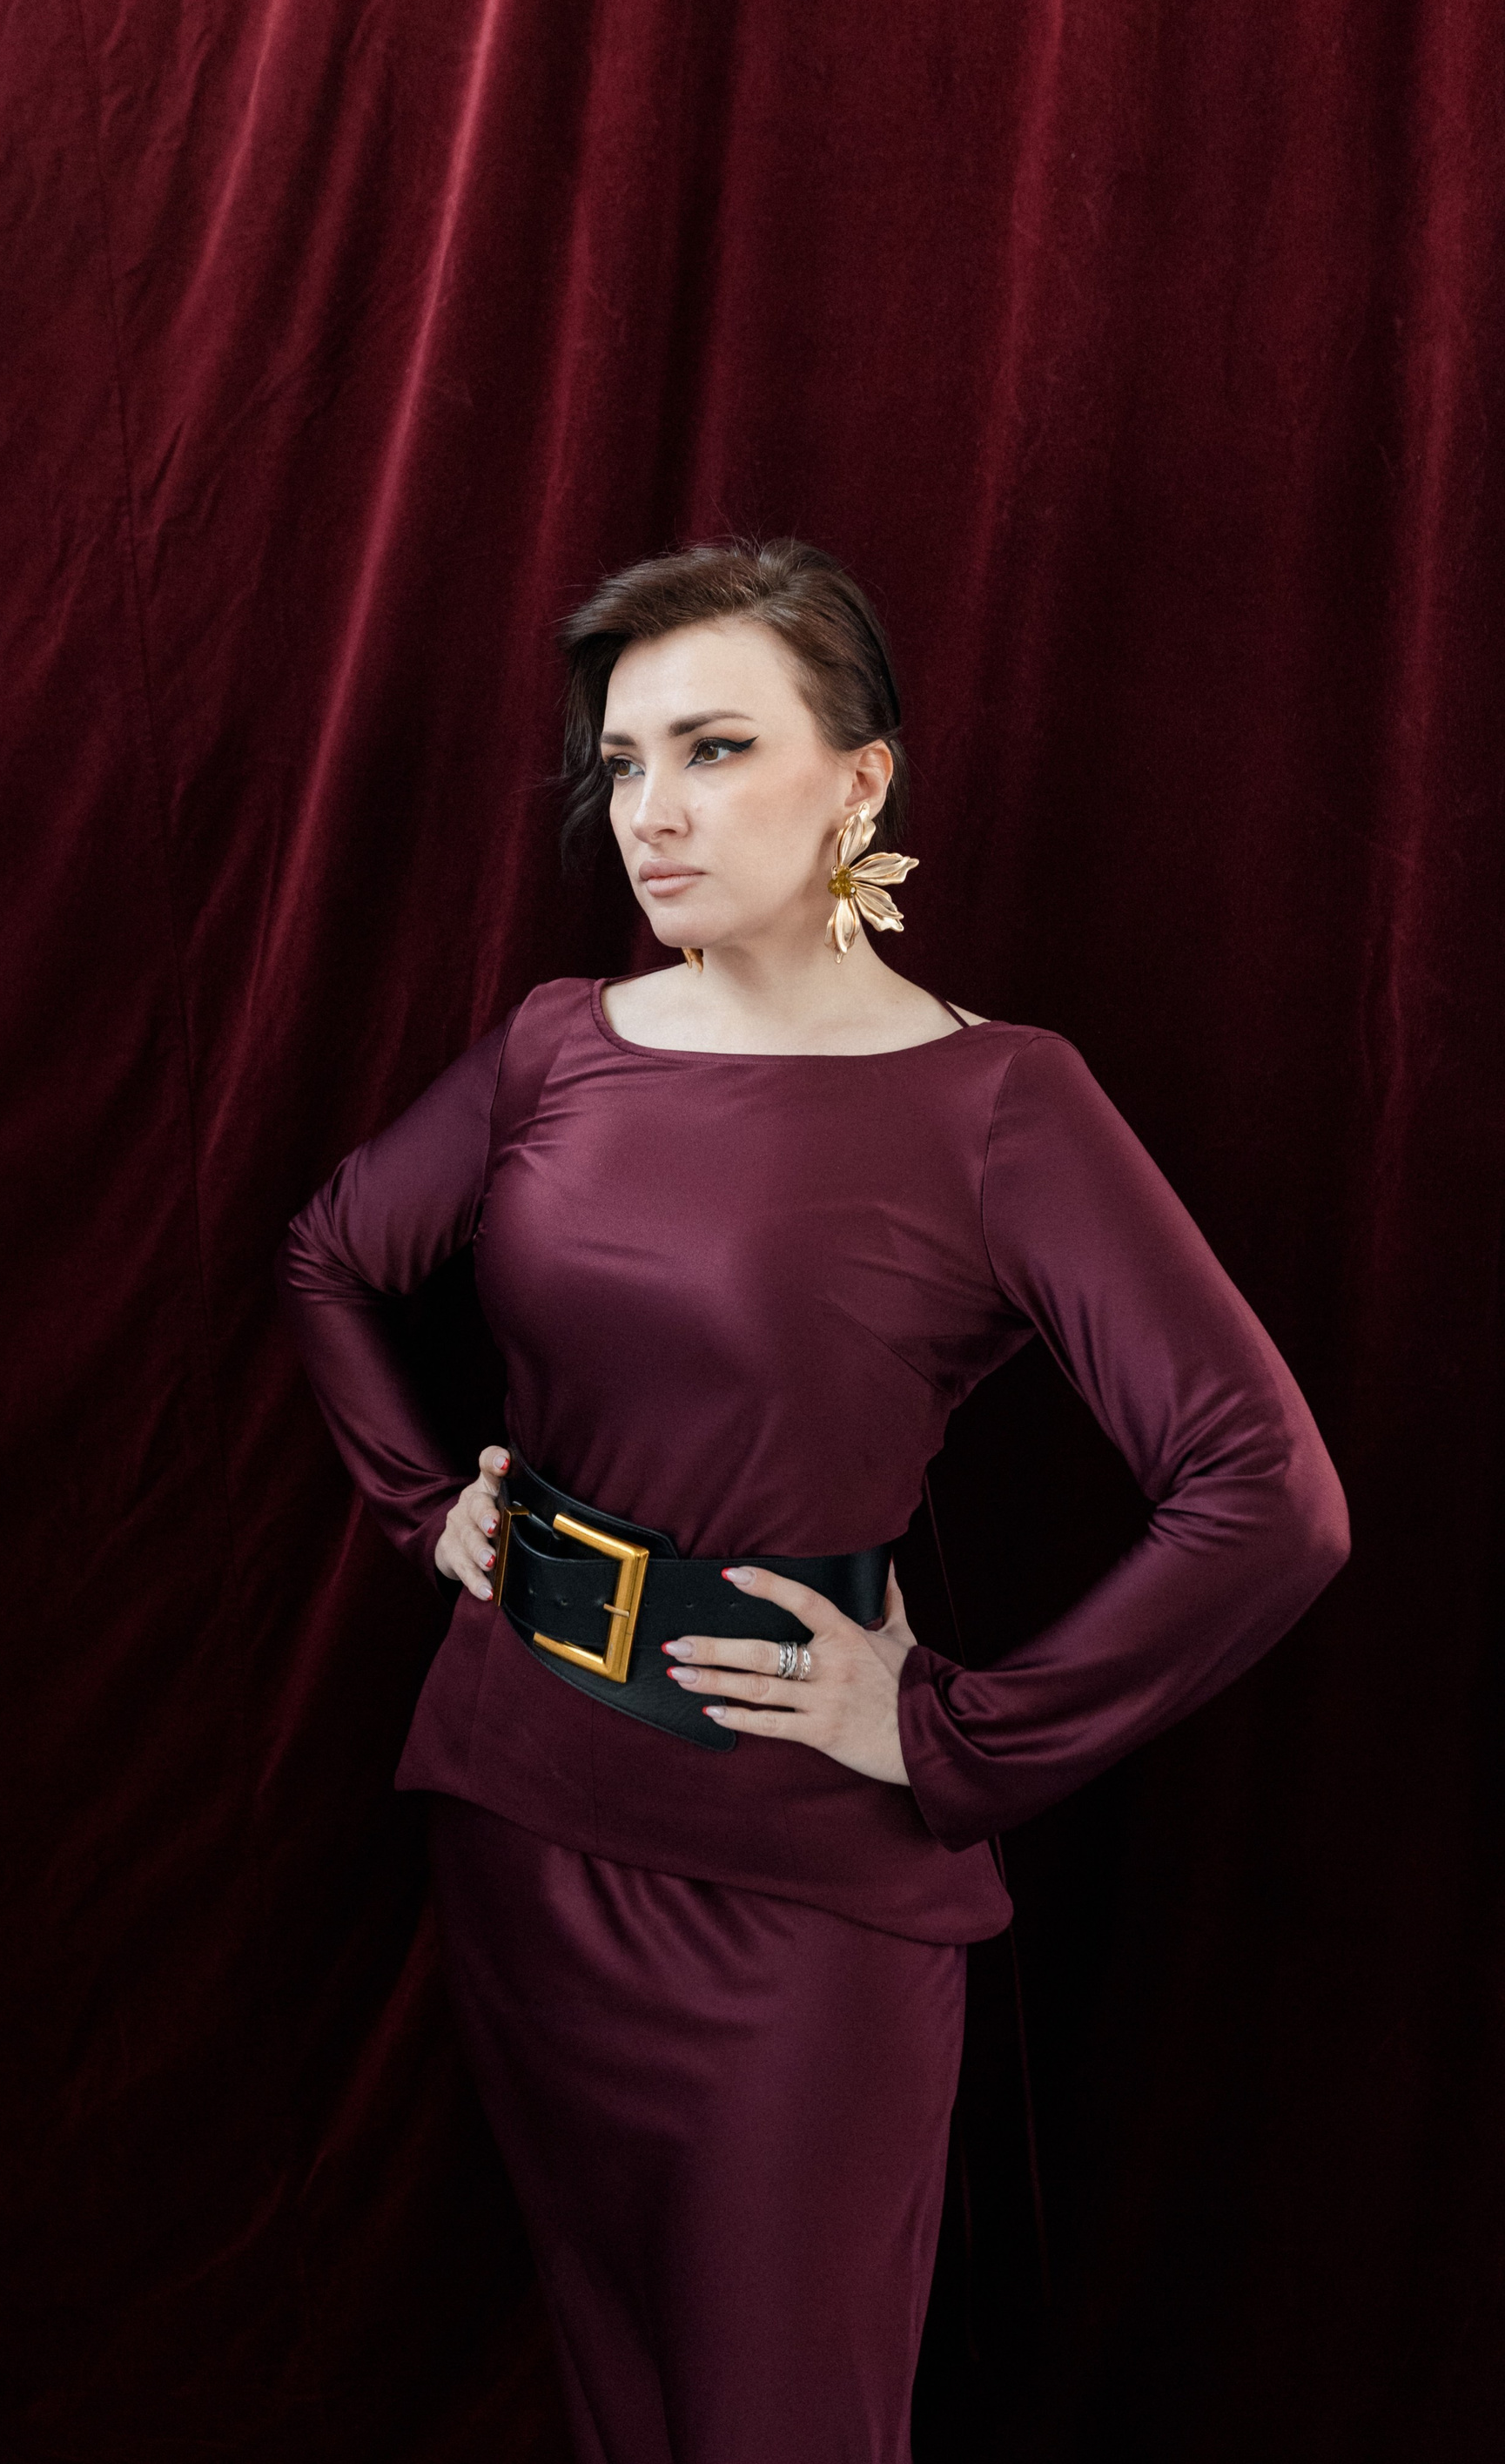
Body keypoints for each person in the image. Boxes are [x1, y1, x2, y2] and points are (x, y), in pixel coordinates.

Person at [279, 538, 1349, 2464]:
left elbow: (1266, 1491)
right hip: (520, 1809)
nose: (651, 812)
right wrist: (422, 1505)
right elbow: (334, 1255)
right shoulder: (558, 1045)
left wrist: (951, 1733)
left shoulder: (998, 1103)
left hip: (802, 1880)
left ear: (860, 779)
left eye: (714, 749)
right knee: (622, 2399)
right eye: (623, 762)